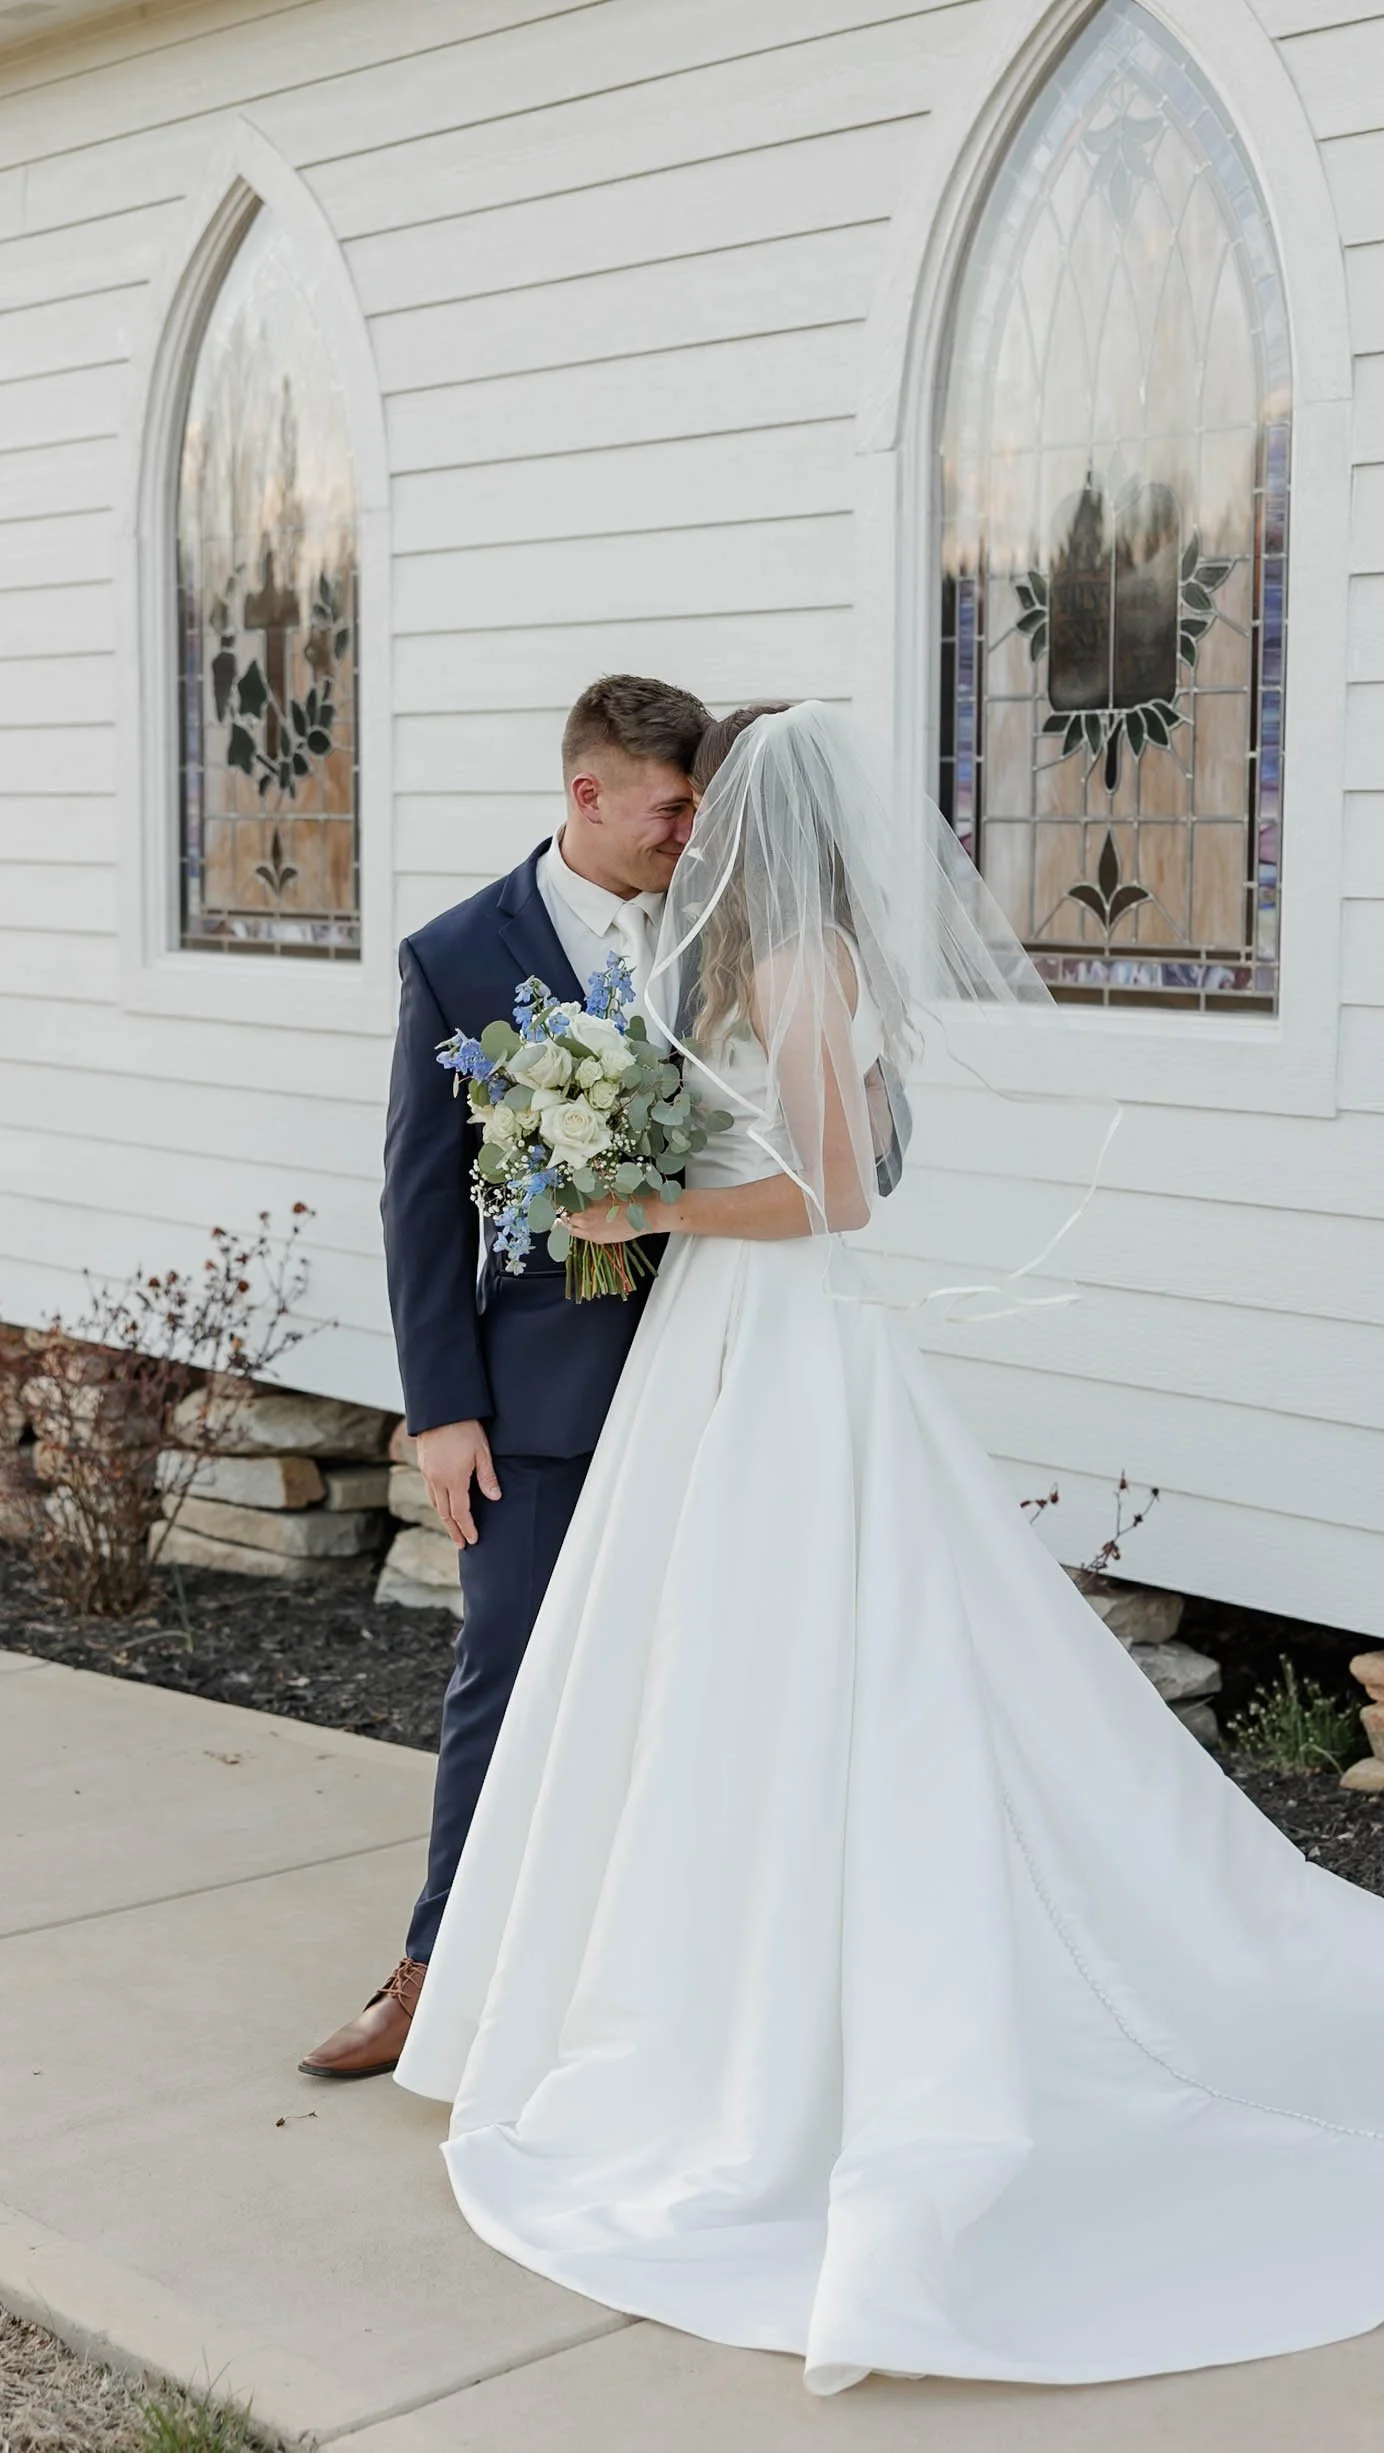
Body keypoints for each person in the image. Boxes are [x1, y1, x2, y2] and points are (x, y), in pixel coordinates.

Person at [396, 704, 1384, 2394]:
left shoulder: (800, 964)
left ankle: (786, 2036)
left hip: (777, 1338)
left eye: (718, 812)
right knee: (716, 1678)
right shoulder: (732, 962)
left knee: (811, 1663)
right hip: (715, 1351)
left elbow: (840, 1190)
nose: (696, 841)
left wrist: (644, 1208)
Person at [300, 673, 709, 2081]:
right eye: (669, 807)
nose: (687, 832)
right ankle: (434, 1976)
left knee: (697, 1690)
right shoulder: (459, 952)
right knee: (510, 1675)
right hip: (537, 1391)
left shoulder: (726, 927)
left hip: (723, 1362)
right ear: (588, 794)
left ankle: (648, 1990)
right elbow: (421, 1201)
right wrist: (444, 1407)